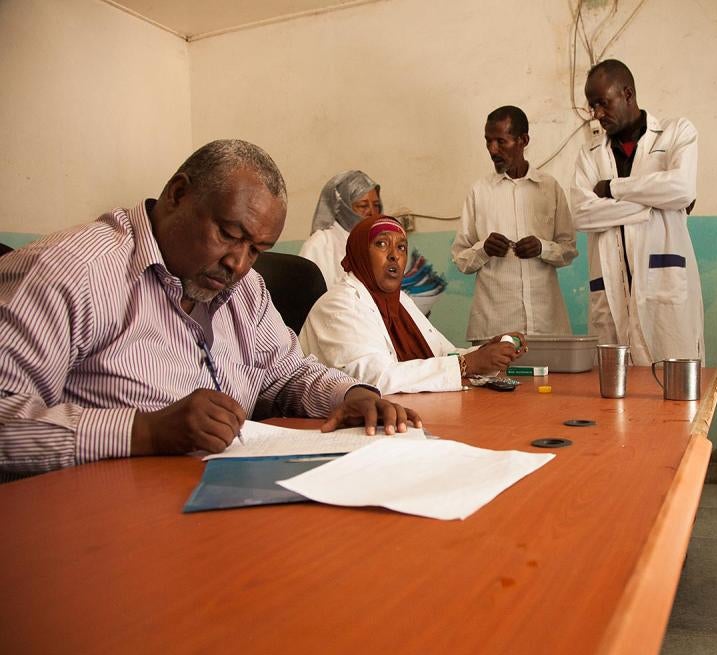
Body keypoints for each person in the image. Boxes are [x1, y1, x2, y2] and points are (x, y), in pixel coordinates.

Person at [0, 140, 419, 480]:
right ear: (177, 195)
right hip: (103, 519)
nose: (238, 263)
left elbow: (288, 372)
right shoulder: (71, 271)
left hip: (222, 501)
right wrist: (143, 431)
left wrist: (350, 394)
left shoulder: (246, 290)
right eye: (229, 234)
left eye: (256, 250)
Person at [570, 59, 702, 366]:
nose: (597, 114)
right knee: (617, 400)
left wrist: (613, 189)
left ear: (627, 94)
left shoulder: (676, 132)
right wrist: (653, 203)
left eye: (603, 103)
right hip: (610, 291)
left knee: (674, 394)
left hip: (665, 287)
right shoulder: (589, 154)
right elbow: (582, 214)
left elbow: (682, 189)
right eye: (592, 107)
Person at [301, 215, 525, 394]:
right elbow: (374, 380)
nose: (394, 256)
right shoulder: (338, 306)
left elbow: (444, 355)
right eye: (381, 244)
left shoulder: (401, 302)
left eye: (401, 248)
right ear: (360, 253)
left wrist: (488, 352)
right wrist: (467, 364)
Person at [451, 105, 577, 341]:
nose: (492, 150)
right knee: (492, 380)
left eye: (501, 141)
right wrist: (483, 250)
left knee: (554, 380)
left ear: (523, 140)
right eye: (488, 142)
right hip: (493, 327)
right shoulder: (480, 192)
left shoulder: (550, 188)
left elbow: (569, 249)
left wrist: (543, 248)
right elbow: (460, 258)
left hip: (546, 324)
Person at [299, 170, 382, 289]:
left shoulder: (380, 242)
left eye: (376, 205)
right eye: (363, 206)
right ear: (344, 208)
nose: (372, 213)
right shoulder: (320, 244)